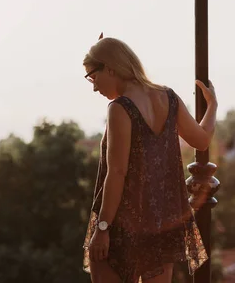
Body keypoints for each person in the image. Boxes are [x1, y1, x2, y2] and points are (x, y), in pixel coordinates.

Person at [81, 36, 217, 283]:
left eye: (93, 77)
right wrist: (213, 106)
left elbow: (117, 172)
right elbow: (202, 139)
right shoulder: (169, 97)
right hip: (162, 223)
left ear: (110, 68)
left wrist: (102, 229)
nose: (94, 86)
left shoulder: (120, 108)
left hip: (123, 223)